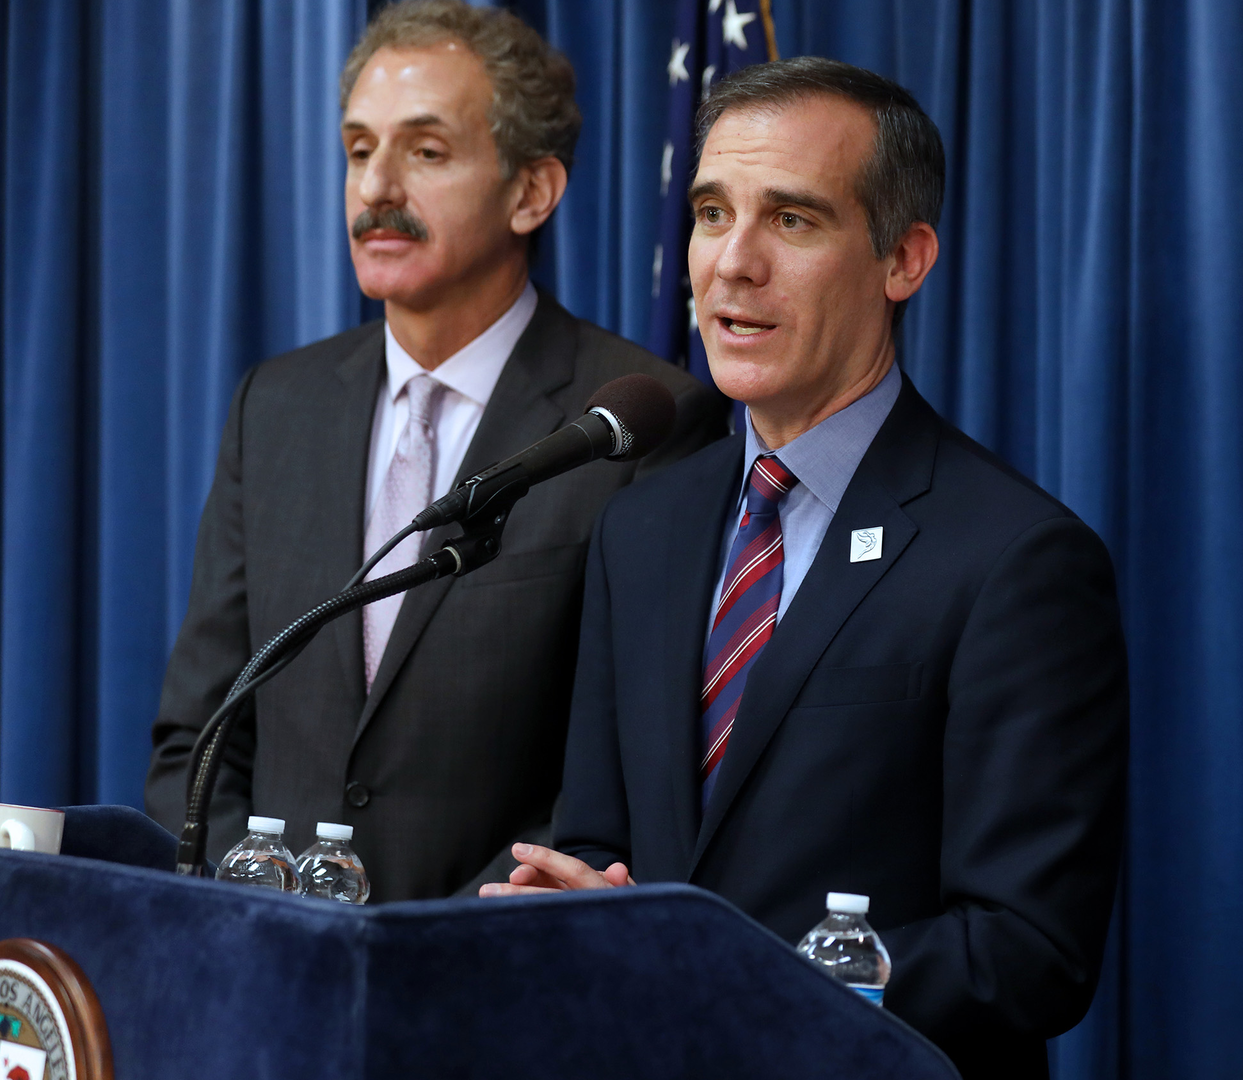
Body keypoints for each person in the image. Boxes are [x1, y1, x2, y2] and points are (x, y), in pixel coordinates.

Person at [481, 58, 1129, 1079]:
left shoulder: (1018, 561)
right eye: (709, 212)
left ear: (903, 259)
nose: (731, 263)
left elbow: (1030, 953)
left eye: (792, 221)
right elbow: (602, 847)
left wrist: (718, 974)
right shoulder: (640, 529)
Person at [145, 0, 728, 901]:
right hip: (267, 973)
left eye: (424, 152)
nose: (377, 188)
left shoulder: (639, 422)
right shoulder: (276, 407)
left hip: (487, 975)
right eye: (358, 150)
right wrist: (255, 912)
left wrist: (431, 949)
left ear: (532, 191)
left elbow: (622, 766)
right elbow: (201, 733)